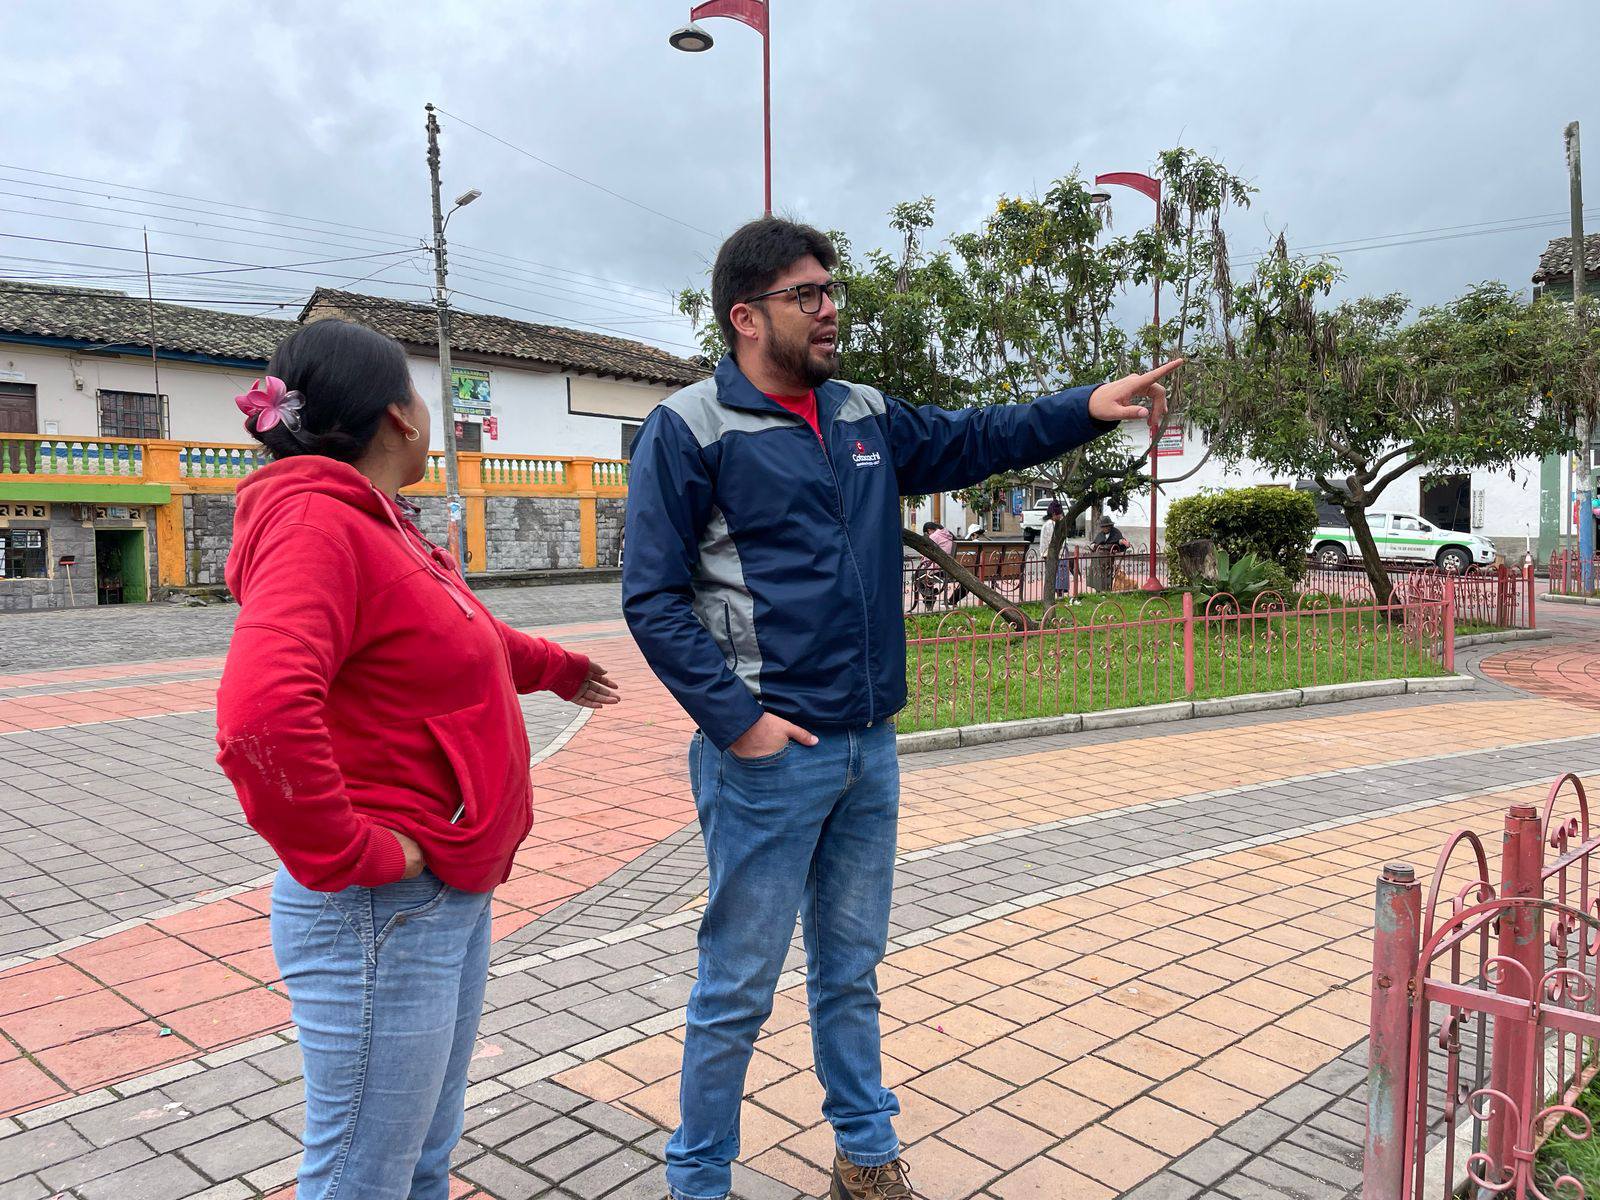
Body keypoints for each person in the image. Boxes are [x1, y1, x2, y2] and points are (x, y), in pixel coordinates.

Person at [621, 216, 1176, 1200]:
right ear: (746, 316)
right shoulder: (691, 428)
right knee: (737, 985)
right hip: (767, 756)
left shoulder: (862, 414)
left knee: (851, 967)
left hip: (867, 746)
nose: (829, 309)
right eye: (806, 294)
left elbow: (978, 438)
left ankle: (865, 1157)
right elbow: (651, 598)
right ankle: (696, 1182)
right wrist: (740, 723)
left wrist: (1088, 407)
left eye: (831, 290)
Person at [214, 319, 620, 1200]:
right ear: (400, 416)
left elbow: (456, 635)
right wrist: (351, 851)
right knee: (363, 1175)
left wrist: (554, 668)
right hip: (380, 910)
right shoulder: (318, 526)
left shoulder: (378, 524)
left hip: (437, 896)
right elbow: (259, 719)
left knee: (420, 1160)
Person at [1087, 513, 1133, 592]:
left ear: (1110, 526)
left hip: (1108, 556)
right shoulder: (1101, 534)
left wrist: (1124, 542)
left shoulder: (1115, 532)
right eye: (1103, 527)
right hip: (1098, 556)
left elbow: (1119, 540)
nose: (1105, 528)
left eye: (1107, 526)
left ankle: (1106, 590)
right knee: (1096, 572)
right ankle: (1098, 589)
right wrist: (1093, 545)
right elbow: (1095, 542)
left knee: (1106, 573)